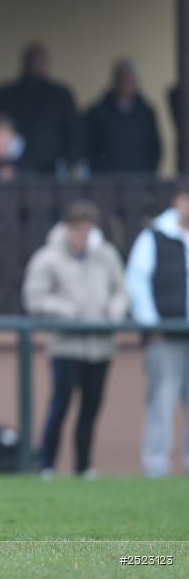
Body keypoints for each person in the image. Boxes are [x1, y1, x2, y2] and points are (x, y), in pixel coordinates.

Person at [22, 201, 128, 478]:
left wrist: (113, 312)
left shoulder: (106, 255)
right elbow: (34, 298)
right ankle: (46, 464)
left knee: (91, 408)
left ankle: (83, 465)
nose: (82, 236)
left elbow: (121, 291)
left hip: (99, 345)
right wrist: (67, 311)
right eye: (77, 229)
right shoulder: (47, 258)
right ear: (67, 229)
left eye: (87, 229)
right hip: (65, 344)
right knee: (61, 404)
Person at [125, 183, 189, 477]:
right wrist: (154, 324)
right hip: (165, 335)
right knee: (161, 400)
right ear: (178, 201)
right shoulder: (154, 236)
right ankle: (156, 464)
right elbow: (137, 283)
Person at [0, 42, 80, 175]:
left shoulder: (60, 96)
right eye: (31, 61)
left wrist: (67, 162)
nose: (35, 65)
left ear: (46, 64)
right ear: (23, 63)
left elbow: (75, 133)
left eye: (39, 61)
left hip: (51, 170)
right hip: (11, 170)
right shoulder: (4, 95)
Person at [84, 59, 160, 175]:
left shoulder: (146, 113)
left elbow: (155, 148)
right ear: (114, 80)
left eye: (129, 78)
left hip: (139, 181)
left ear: (136, 81)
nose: (125, 82)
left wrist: (149, 174)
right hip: (105, 182)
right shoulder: (97, 113)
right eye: (121, 78)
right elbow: (88, 148)